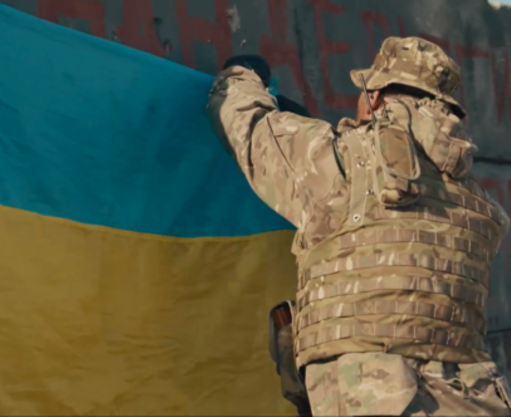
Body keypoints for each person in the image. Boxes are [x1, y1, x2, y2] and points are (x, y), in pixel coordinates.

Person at [207, 36, 511, 416]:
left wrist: (242, 75)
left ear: (375, 97)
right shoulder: (479, 202)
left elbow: (244, 124)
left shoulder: (344, 158)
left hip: (377, 397)